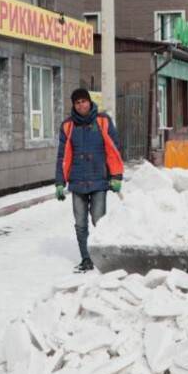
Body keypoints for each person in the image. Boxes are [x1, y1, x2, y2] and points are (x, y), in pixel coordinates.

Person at [55, 88, 124, 273]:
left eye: (84, 101)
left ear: (89, 102)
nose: (81, 105)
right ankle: (86, 259)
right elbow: (62, 156)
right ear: (74, 105)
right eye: (77, 102)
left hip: (99, 180)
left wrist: (116, 176)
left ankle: (103, 257)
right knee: (80, 224)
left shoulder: (103, 121)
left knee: (99, 220)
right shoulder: (68, 126)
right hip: (77, 182)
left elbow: (114, 149)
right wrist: (60, 182)